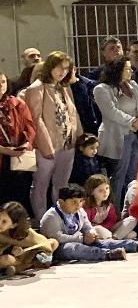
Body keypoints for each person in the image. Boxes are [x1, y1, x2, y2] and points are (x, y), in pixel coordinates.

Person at [23, 51, 84, 220]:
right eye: (59, 67)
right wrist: (46, 146)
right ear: (49, 67)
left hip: (67, 143)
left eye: (66, 68)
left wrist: (79, 137)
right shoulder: (36, 88)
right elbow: (35, 119)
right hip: (46, 146)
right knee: (40, 185)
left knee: (62, 186)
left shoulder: (63, 87)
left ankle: (60, 219)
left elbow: (73, 113)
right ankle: (42, 220)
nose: (62, 72)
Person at [39, 184, 138, 262]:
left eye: (80, 202)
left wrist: (91, 233)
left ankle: (136, 245)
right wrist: (82, 239)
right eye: (73, 202)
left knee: (101, 242)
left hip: (79, 239)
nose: (78, 205)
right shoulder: (51, 216)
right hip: (58, 248)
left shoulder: (79, 210)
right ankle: (107, 254)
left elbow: (87, 225)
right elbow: (57, 238)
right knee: (72, 248)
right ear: (61, 202)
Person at [93, 59, 138, 207]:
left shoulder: (133, 85)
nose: (131, 71)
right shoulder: (102, 89)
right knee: (118, 177)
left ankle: (131, 208)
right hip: (117, 137)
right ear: (117, 70)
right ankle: (115, 211)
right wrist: (132, 121)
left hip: (134, 136)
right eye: (127, 69)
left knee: (132, 176)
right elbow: (111, 111)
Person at [0, 70, 37, 216]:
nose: (0, 85)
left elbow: (30, 127)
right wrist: (5, 150)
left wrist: (26, 144)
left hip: (18, 155)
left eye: (3, 81)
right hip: (2, 155)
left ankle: (19, 223)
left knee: (20, 192)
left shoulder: (17, 103)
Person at [0, 201, 55, 275]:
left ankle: (22, 266)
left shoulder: (26, 233)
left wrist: (19, 248)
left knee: (54, 243)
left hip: (28, 254)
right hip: (11, 255)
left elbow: (44, 244)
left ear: (13, 225)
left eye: (4, 221)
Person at [80, 174, 138, 240]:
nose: (105, 192)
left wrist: (109, 230)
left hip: (109, 230)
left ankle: (114, 239)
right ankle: (114, 240)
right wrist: (103, 228)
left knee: (132, 223)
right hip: (95, 230)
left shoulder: (109, 205)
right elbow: (87, 225)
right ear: (91, 192)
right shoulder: (86, 205)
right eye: (100, 190)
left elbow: (112, 221)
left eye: (107, 188)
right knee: (98, 229)